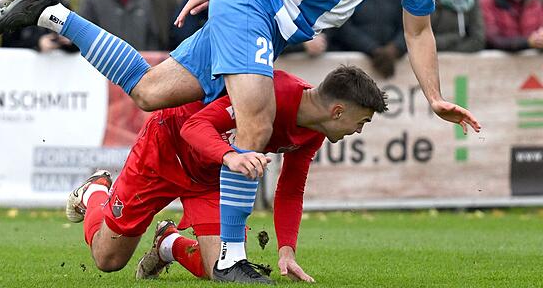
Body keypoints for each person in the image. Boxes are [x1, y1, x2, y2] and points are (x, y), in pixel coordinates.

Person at [0, 0, 480, 280]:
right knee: (256, 124)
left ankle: (51, 11)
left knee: (150, 92)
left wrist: (434, 96)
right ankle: (233, 260)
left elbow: (418, 31)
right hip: (250, 3)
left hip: (272, 31)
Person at [66, 66, 387, 284]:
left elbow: (290, 190)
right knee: (108, 261)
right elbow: (194, 127)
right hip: (166, 150)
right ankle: (95, 191)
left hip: (213, 174)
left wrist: (286, 249)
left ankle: (169, 243)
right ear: (338, 111)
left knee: (220, 268)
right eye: (362, 121)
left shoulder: (314, 131)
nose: (358, 130)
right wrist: (231, 155)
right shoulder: (270, 91)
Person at [325, 0, 407, 78]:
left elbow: (412, 26)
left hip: (393, 66)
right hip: (350, 67)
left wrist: (395, 48)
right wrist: (372, 49)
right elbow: (341, 25)